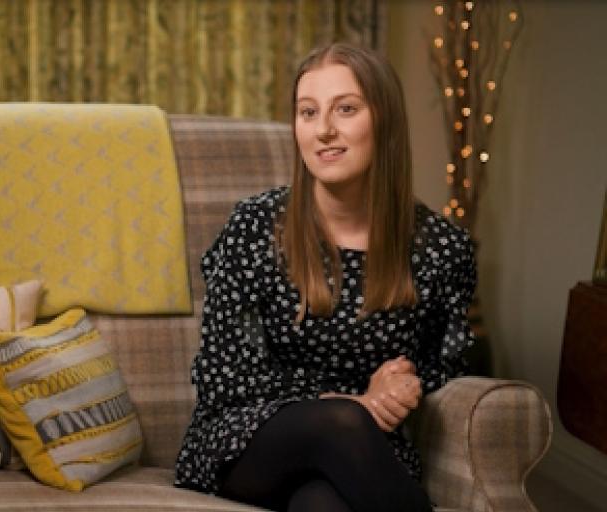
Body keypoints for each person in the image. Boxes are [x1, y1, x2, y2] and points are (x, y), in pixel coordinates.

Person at [174, 42, 477, 512]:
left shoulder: (440, 247)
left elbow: (448, 367)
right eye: (308, 112)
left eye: (346, 109)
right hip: (249, 439)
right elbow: (223, 374)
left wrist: (404, 382)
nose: (324, 130)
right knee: (341, 422)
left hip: (365, 448)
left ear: (385, 121)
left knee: (322, 504)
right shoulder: (256, 227)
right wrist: (352, 402)